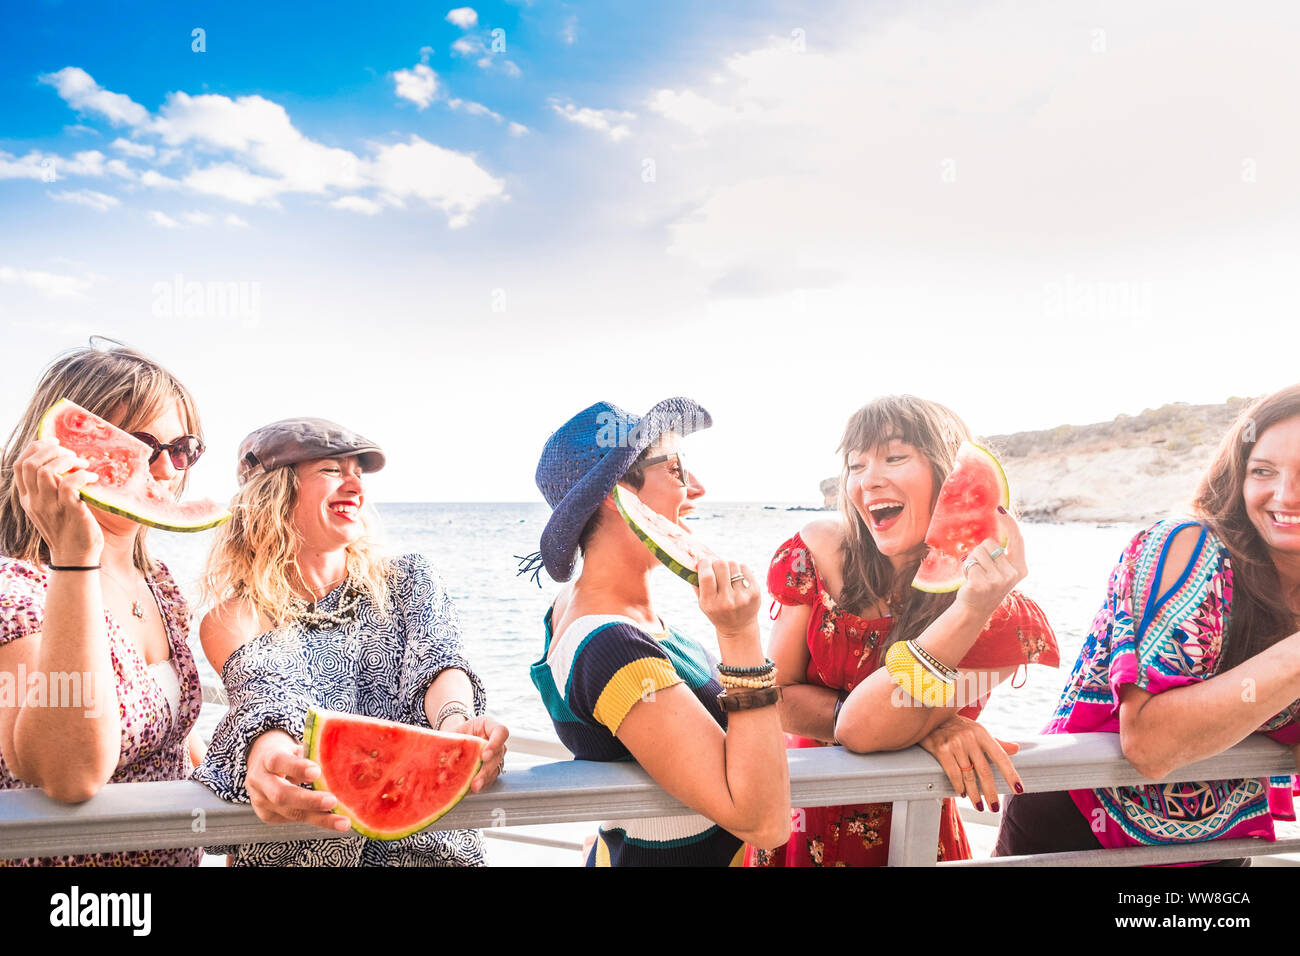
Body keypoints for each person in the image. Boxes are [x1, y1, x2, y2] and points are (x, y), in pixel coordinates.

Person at [996, 385, 1300, 860]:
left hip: (1217, 845)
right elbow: (1150, 741)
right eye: (1263, 471)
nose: (1285, 495)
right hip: (1081, 834)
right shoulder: (1188, 547)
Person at [754, 395, 1059, 866]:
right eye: (856, 465)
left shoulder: (1005, 620)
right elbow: (776, 697)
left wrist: (971, 607)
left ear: (951, 476)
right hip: (798, 823)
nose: (869, 479)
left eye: (896, 457)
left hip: (911, 835)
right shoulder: (815, 554)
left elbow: (865, 727)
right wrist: (924, 728)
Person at [194, 418, 507, 866]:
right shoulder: (234, 616)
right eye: (330, 470)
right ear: (275, 492)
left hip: (430, 853)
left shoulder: (408, 579)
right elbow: (265, 694)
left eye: (357, 472)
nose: (353, 484)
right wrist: (272, 751)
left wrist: (457, 726)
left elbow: (441, 664)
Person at [523, 398, 790, 866]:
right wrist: (741, 636)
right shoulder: (611, 646)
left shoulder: (573, 611)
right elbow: (763, 822)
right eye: (676, 469)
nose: (699, 487)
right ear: (616, 493)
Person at [0, 340, 209, 866]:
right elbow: (68, 775)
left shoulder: (158, 582)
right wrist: (74, 556)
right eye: (140, 446)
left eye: (181, 449)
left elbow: (167, 742)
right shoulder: (18, 587)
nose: (166, 471)